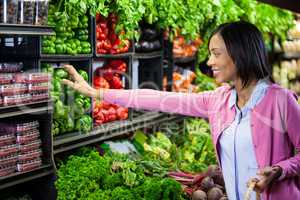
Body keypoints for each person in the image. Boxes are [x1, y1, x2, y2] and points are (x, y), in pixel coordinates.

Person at [62, 21, 300, 200]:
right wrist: (98, 93)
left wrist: (279, 170)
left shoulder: (280, 100)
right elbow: (159, 98)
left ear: (240, 53)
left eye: (216, 54)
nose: (209, 62)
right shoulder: (218, 101)